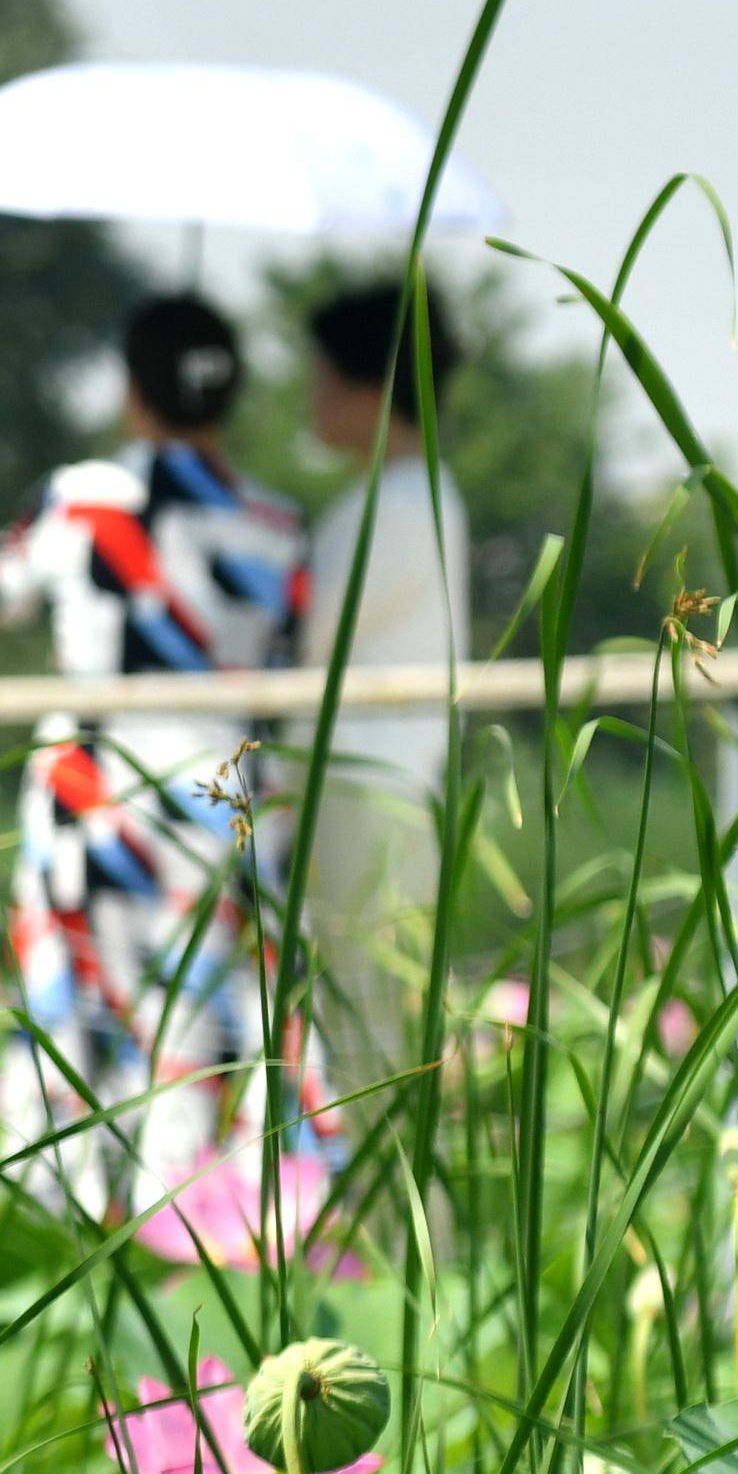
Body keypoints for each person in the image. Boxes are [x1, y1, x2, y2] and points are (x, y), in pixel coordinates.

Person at [0, 294, 333, 1222]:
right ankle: (189, 1225)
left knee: (74, 1016)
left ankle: (54, 1224)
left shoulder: (81, 497)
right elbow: (286, 654)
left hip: (93, 793)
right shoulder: (279, 524)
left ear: (131, 388)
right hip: (220, 797)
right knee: (193, 1019)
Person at [292, 280, 467, 1086]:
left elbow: (302, 639)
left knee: (367, 1029)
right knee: (361, 1023)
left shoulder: (393, 506)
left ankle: (391, 1211)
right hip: (380, 784)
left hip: (367, 787)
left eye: (321, 379)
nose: (310, 399)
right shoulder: (404, 494)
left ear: (368, 389)